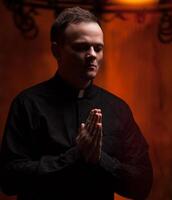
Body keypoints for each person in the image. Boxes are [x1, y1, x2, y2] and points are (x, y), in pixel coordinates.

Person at [0, 6, 153, 200]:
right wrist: (73, 157)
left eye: (98, 48)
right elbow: (9, 179)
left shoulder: (118, 108)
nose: (92, 55)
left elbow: (142, 184)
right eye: (82, 47)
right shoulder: (27, 104)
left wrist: (99, 159)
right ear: (57, 50)